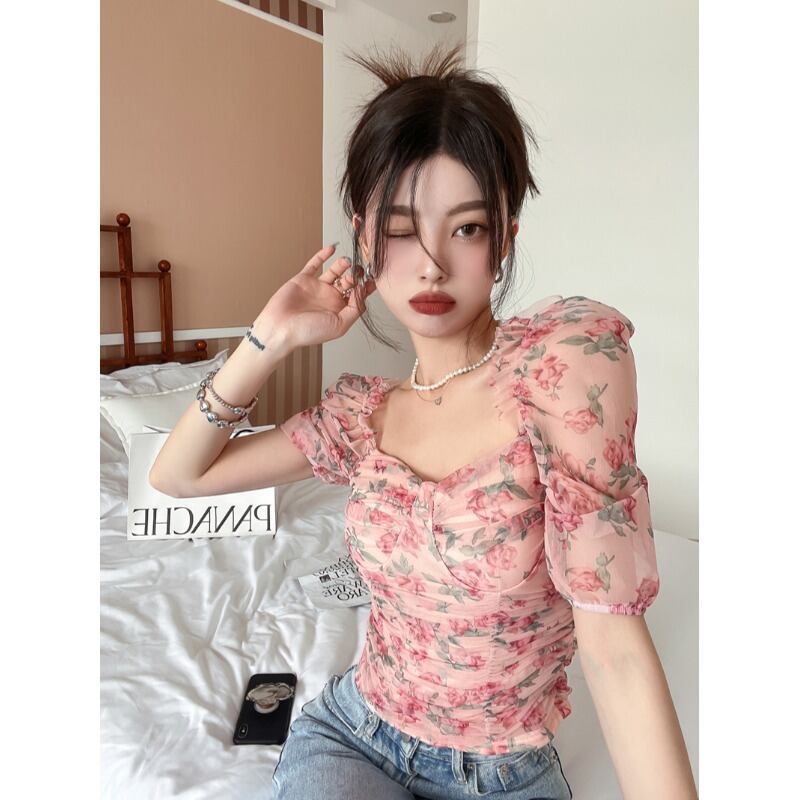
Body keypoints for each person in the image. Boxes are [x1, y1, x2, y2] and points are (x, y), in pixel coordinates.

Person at [150, 42, 697, 800]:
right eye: (402, 229)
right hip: (356, 734)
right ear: (364, 237)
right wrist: (269, 337)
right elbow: (177, 477)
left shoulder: (560, 370)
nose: (432, 263)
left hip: (503, 771)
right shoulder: (362, 417)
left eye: (466, 228)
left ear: (504, 238)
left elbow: (616, 651)